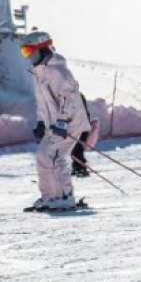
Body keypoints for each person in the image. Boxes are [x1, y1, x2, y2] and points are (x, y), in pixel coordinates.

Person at [21, 31, 90, 211]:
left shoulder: (58, 71)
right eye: (24, 53)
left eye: (29, 51)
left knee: (54, 157)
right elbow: (44, 104)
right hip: (55, 124)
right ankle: (51, 196)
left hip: (69, 123)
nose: (28, 57)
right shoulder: (39, 72)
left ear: (42, 49)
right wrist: (41, 123)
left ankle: (64, 197)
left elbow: (70, 100)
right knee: (45, 157)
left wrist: (63, 122)